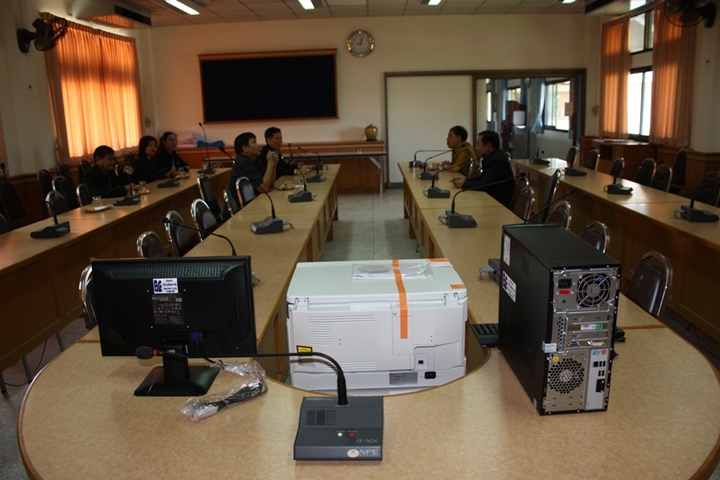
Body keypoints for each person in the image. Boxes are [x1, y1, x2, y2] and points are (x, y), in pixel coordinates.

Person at [451, 131, 515, 207]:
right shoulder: (492, 157)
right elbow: (482, 178)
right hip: (492, 199)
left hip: (500, 204)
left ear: (488, 146)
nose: (476, 148)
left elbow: (485, 184)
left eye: (478, 144)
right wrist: (465, 180)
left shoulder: (497, 160)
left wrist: (464, 184)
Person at [228, 132, 278, 196]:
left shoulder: (255, 159)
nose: (258, 145)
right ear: (245, 148)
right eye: (254, 142)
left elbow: (270, 185)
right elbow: (263, 188)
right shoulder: (244, 163)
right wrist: (270, 163)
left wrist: (273, 165)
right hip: (243, 202)